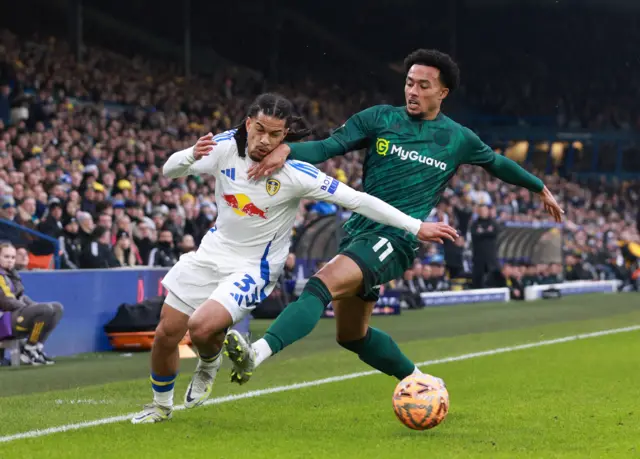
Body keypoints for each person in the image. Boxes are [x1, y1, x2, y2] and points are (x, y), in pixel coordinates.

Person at [225, 48, 564, 388]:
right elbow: (329, 147)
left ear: (443, 92)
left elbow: (497, 163)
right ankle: (421, 381)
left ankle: (256, 354)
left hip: (396, 239)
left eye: (424, 86)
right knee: (352, 335)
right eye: (409, 83)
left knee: (320, 284)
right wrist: (288, 149)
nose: (413, 91)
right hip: (358, 232)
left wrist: (539, 187)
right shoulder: (379, 119)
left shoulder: (458, 138)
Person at [131, 93, 457, 424]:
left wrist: (416, 226)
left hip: (253, 267)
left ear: (285, 135)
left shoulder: (297, 174)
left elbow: (358, 200)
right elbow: (170, 171)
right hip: (211, 251)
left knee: (202, 329)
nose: (264, 140)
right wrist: (189, 153)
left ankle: (208, 362)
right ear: (248, 123)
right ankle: (161, 405)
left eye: (275, 134)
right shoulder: (224, 146)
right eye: (259, 130)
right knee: (166, 333)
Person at [0, 242, 63, 364]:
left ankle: (35, 347)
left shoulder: (12, 274)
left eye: (13, 257)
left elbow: (21, 297)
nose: (10, 260)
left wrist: (33, 307)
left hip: (12, 316)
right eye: (6, 257)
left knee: (56, 309)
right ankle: (28, 349)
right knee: (44, 310)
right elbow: (6, 301)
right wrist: (30, 310)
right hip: (3, 319)